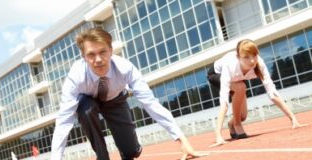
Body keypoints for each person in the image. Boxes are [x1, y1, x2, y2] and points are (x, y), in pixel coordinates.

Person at [50, 27, 206, 160]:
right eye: (91, 54)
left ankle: (129, 149)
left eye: (103, 52)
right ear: (84, 57)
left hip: (115, 101)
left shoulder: (126, 68)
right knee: (85, 107)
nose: (98, 59)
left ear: (111, 51)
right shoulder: (75, 77)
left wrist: (181, 139)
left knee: (131, 152)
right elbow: (64, 120)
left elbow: (150, 103)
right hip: (89, 101)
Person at [207, 39, 306, 147]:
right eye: (246, 57)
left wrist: (293, 118)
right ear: (238, 57)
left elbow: (272, 93)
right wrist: (218, 135)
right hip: (216, 74)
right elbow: (224, 103)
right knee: (241, 86)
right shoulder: (229, 64)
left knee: (243, 116)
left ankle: (232, 124)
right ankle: (237, 125)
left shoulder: (259, 63)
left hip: (237, 78)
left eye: (254, 55)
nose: (252, 61)